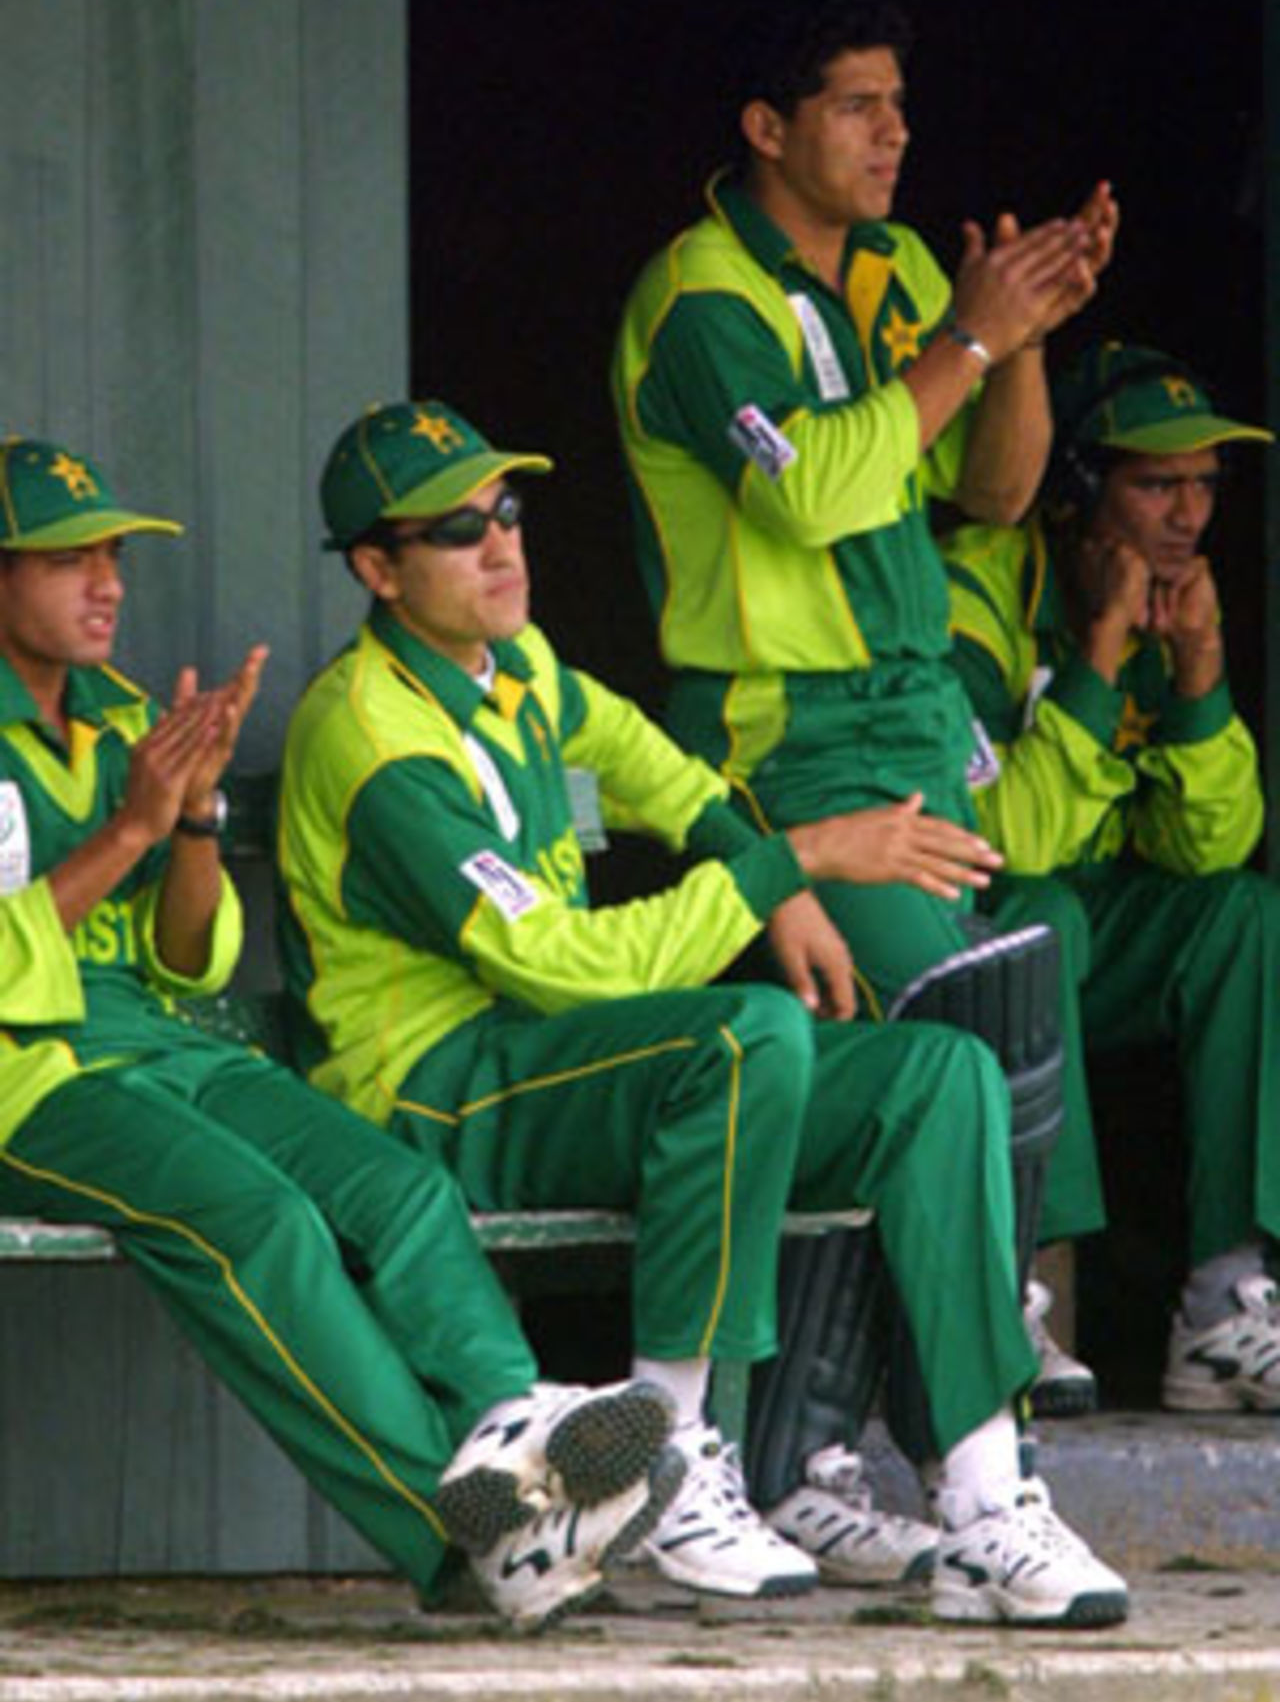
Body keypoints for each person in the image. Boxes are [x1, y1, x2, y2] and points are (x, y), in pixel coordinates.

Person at [275, 396, 1130, 1629]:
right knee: (739, 1035)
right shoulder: (367, 734)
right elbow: (552, 966)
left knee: (935, 1074)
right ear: (376, 569)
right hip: (430, 1090)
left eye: (505, 511)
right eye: (457, 530)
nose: (502, 544)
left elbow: (659, 773)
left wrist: (763, 868)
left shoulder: (516, 668)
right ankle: (672, 1454)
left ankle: (989, 1501)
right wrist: (791, 866)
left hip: (544, 1064)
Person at [0, 432, 687, 1632]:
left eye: (113, 554)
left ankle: (525, 1452)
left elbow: (180, 957)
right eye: (68, 560)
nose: (107, 582)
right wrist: (127, 831)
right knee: (259, 1222)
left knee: (396, 1189)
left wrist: (198, 816)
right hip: (36, 1077)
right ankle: (462, 1542)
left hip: (167, 1047)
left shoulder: (117, 716)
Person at [611, 0, 1118, 1015]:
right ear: (766, 128)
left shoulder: (900, 267)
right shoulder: (701, 297)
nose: (894, 131)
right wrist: (967, 341)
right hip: (787, 739)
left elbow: (995, 490)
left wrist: (1019, 338)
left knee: (1034, 963)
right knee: (964, 1012)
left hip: (915, 720)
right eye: (855, 106)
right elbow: (805, 493)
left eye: (896, 102)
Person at [942, 342, 1279, 1414]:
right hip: (958, 933)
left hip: (1101, 927)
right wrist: (1092, 659)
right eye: (1153, 483)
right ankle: (1032, 1301)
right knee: (1037, 916)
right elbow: (1003, 848)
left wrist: (1196, 683)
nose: (1186, 515)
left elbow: (1207, 851)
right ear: (1079, 485)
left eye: (1202, 487)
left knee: (1238, 913)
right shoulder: (975, 590)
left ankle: (1223, 1305)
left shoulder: (1180, 601)